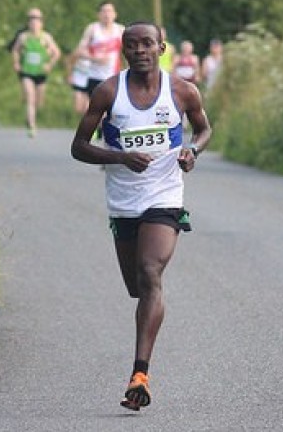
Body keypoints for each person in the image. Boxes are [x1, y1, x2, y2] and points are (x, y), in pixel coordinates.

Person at [70, 21, 212, 411]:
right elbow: (78, 147)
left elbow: (202, 130)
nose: (140, 51)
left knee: (151, 273)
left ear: (161, 47)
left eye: (147, 44)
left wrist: (191, 152)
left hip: (165, 195)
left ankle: (139, 374)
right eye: (131, 46)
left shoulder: (182, 91)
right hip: (123, 200)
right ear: (123, 51)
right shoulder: (108, 92)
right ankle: (142, 354)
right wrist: (119, 156)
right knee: (137, 286)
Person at [11, 7, 61, 138]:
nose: (34, 23)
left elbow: (56, 53)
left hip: (40, 73)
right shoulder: (23, 37)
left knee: (39, 101)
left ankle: (31, 115)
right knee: (30, 97)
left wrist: (49, 64)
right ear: (28, 23)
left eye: (37, 21)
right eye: (31, 21)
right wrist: (16, 63)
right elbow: (15, 50)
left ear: (41, 23)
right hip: (26, 72)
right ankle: (32, 125)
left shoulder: (46, 37)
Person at [75, 1, 125, 97]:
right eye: (104, 11)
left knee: (112, 109)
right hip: (94, 77)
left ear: (115, 14)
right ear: (99, 14)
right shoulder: (92, 29)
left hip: (113, 77)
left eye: (110, 11)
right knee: (97, 109)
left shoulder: (120, 30)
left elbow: (129, 51)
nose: (107, 14)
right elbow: (79, 51)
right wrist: (95, 59)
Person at [66, 51, 91, 115]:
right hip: (78, 81)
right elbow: (69, 61)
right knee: (78, 107)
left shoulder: (97, 53)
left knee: (86, 107)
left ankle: (85, 123)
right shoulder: (80, 51)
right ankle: (77, 120)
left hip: (89, 82)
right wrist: (70, 75)